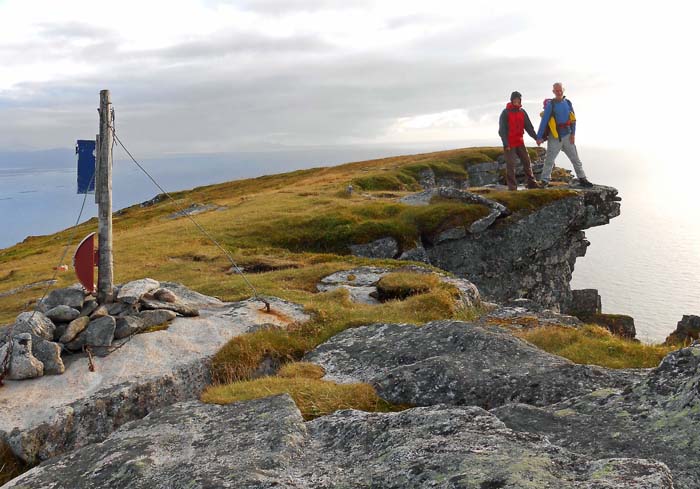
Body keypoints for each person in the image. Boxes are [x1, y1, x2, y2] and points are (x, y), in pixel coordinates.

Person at [536, 82, 593, 187]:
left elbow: (573, 119)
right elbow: (544, 121)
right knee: (549, 159)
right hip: (555, 137)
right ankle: (544, 180)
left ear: (563, 90)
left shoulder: (568, 103)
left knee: (575, 158)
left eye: (560, 90)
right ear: (553, 92)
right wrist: (539, 137)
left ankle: (582, 178)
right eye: (556, 90)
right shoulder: (550, 105)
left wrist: (573, 134)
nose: (558, 92)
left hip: (567, 135)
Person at [498, 91, 539, 191]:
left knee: (527, 162)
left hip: (520, 142)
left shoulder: (522, 112)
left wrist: (536, 138)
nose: (516, 101)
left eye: (518, 99)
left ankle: (531, 183)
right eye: (515, 99)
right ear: (511, 100)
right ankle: (512, 187)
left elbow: (529, 127)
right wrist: (506, 144)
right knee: (511, 165)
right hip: (510, 143)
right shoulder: (505, 112)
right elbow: (502, 130)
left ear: (520, 100)